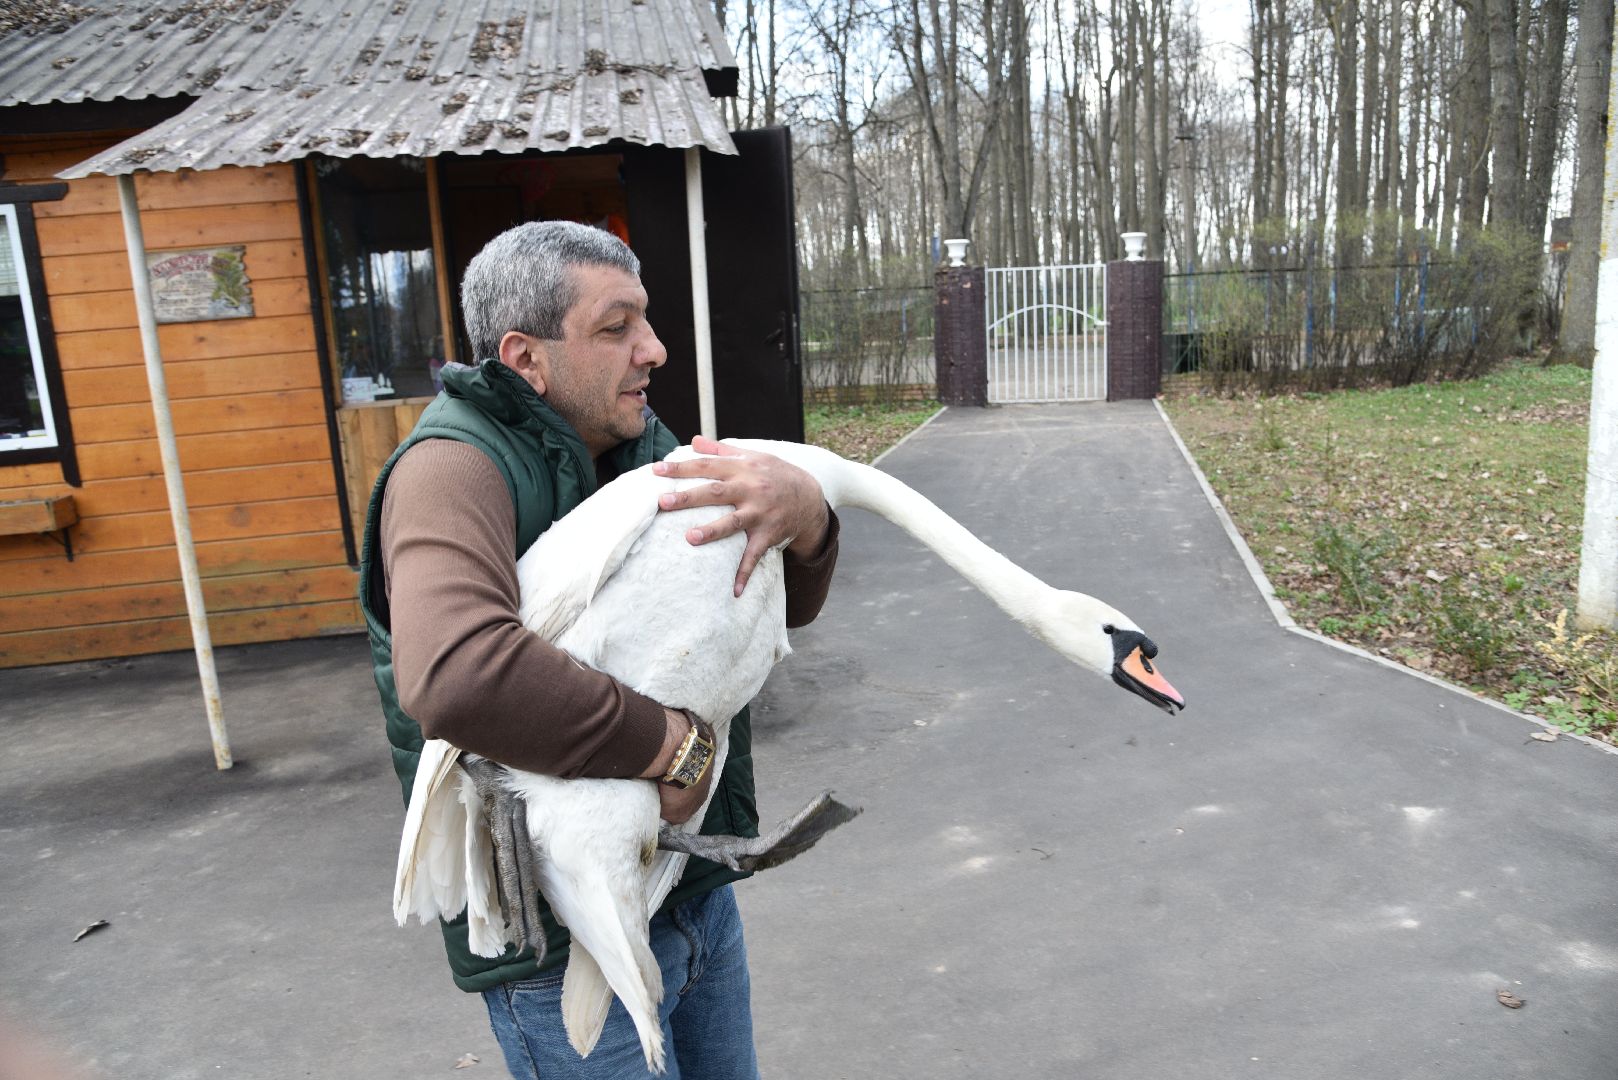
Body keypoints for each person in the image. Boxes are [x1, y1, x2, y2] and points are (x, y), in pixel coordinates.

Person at [359, 220, 840, 1079]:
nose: (652, 350)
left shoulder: (641, 448)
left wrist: (808, 522)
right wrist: (676, 748)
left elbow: (782, 607)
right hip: (555, 938)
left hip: (690, 893)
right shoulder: (451, 470)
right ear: (526, 357)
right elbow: (454, 674)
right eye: (615, 328)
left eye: (645, 322)